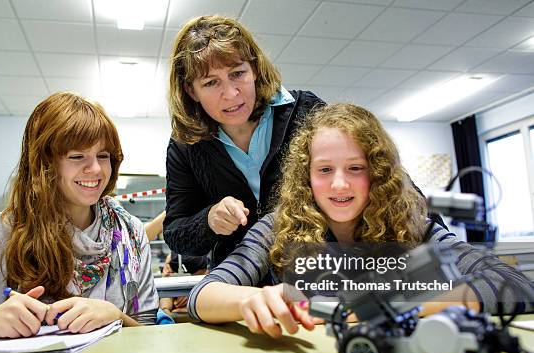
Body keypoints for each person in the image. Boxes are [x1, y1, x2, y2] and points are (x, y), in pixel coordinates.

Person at [187, 103, 534, 338]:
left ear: (378, 173)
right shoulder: (276, 228)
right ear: (306, 176)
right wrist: (248, 299)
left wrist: (400, 300)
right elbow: (201, 296)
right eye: (324, 170)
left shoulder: (412, 227)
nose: (339, 184)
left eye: (356, 168)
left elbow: (514, 285)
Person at [0, 92, 159, 339]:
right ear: (44, 163)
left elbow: (149, 333)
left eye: (103, 156)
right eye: (77, 156)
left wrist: (116, 316)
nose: (95, 169)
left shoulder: (132, 233)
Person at [163, 15, 324, 268]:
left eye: (238, 73)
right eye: (211, 82)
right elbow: (175, 234)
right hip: (238, 282)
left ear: (255, 69)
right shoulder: (185, 146)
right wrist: (209, 220)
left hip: (312, 271)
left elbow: (387, 182)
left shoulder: (305, 111)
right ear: (191, 90)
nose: (230, 94)